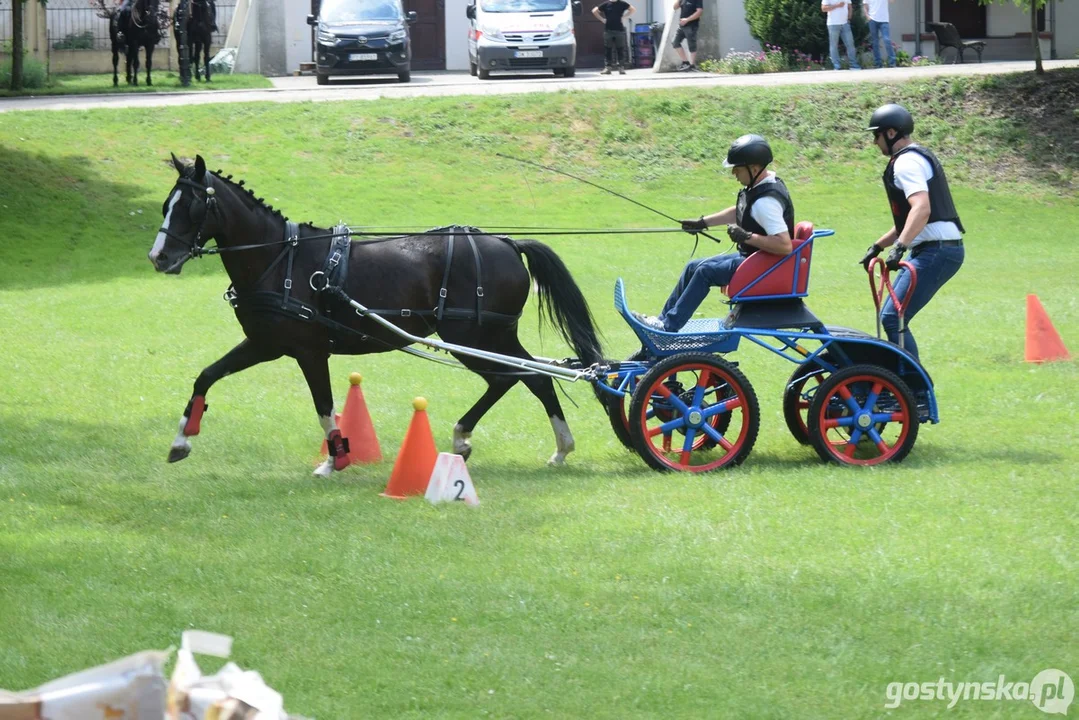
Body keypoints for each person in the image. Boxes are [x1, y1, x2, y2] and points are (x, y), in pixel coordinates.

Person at [634, 135, 795, 333]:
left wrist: (746, 237)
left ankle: (668, 327)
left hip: (765, 266)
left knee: (705, 272)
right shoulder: (758, 188)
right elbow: (739, 211)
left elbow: (785, 245)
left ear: (754, 168)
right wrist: (703, 222)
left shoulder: (766, 202)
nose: (734, 173)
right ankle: (661, 320)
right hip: (754, 259)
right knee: (694, 266)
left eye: (737, 168)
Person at [859, 104, 965, 362]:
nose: (875, 142)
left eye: (877, 135)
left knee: (893, 317)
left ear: (892, 133)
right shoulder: (911, 158)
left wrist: (900, 247)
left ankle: (912, 389)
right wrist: (879, 245)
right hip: (938, 248)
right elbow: (909, 220)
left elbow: (922, 209)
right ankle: (904, 385)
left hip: (937, 250)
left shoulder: (906, 162)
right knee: (894, 317)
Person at [593, 0, 636, 75]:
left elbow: (632, 9)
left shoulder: (622, 3)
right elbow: (594, 11)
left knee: (620, 49)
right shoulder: (606, 4)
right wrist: (602, 19)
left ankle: (621, 68)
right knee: (608, 50)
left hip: (619, 30)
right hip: (608, 30)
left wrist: (624, 17)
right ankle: (608, 68)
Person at [821, 0, 860, 70]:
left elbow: (849, 6)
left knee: (850, 44)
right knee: (834, 45)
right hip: (833, 24)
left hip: (845, 23)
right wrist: (837, 5)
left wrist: (849, 18)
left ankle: (853, 65)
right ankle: (837, 65)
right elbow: (823, 8)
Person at [671, 0, 702, 72]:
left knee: (691, 44)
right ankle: (685, 63)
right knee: (675, 42)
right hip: (682, 25)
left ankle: (692, 65)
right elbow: (675, 7)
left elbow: (699, 11)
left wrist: (687, 20)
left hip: (691, 25)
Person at [865, 0, 896, 68]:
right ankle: (878, 63)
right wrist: (867, 16)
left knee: (887, 39)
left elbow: (892, 1)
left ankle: (892, 62)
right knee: (875, 42)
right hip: (872, 20)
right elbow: (865, 6)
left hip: (884, 20)